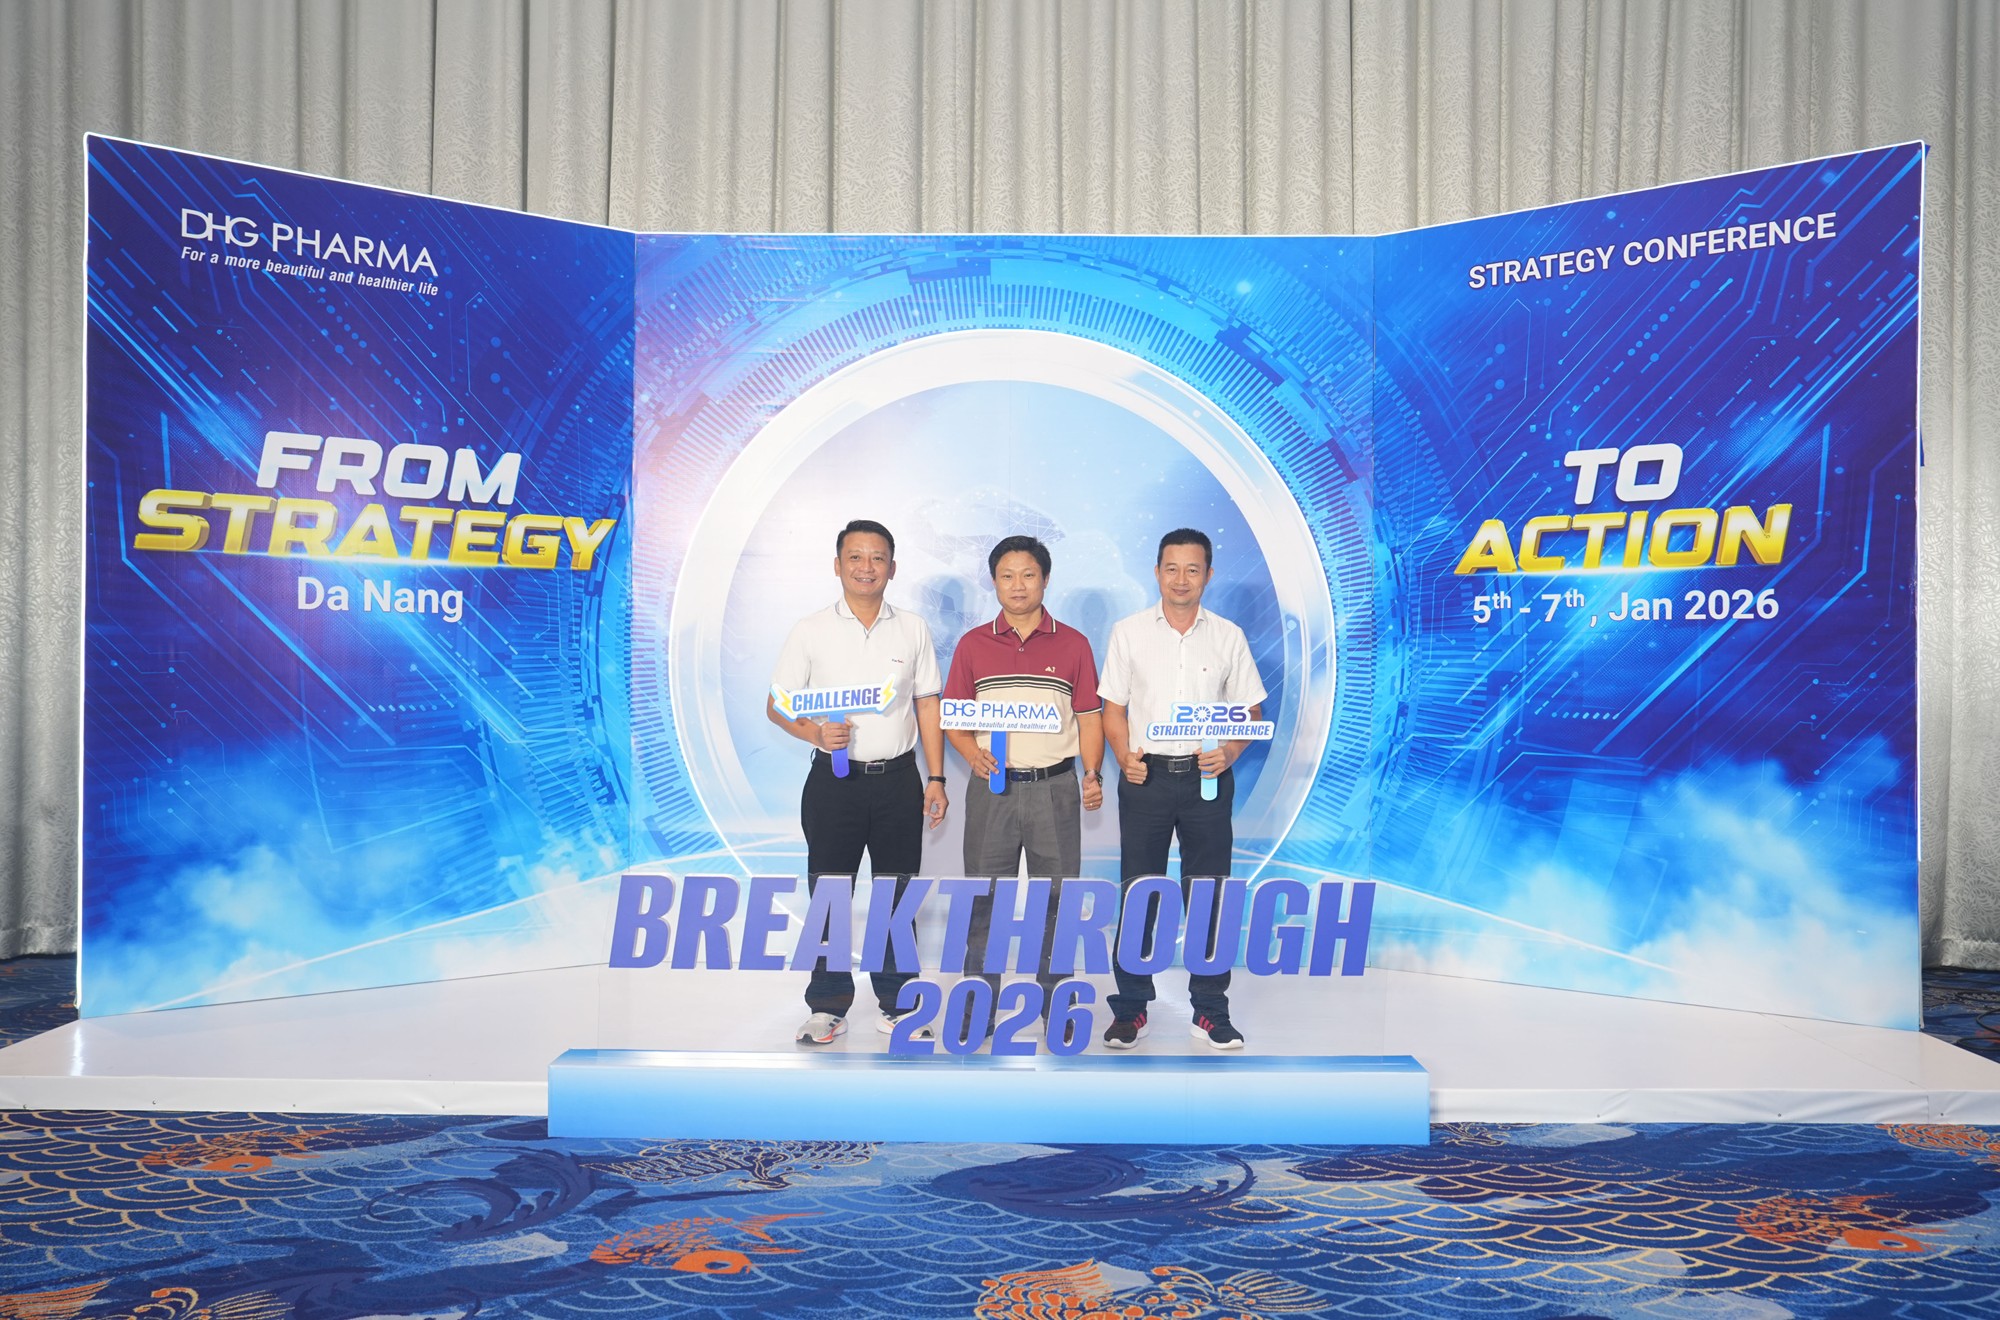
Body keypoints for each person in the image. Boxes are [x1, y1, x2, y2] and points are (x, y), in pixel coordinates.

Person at [768, 519, 949, 1046]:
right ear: (837, 565)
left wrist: (936, 777)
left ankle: (898, 1002)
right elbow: (777, 704)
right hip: (833, 784)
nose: (866, 567)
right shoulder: (810, 629)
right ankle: (827, 1005)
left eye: (877, 558)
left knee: (897, 895)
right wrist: (815, 733)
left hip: (898, 781)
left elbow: (928, 704)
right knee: (829, 894)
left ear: (892, 568)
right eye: (855, 557)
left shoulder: (912, 627)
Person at [1097, 528, 1267, 1050]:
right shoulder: (1128, 632)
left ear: (1208, 575)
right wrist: (1123, 756)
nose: (1181, 579)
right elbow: (1112, 709)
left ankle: (1210, 1010)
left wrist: (1231, 751)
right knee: (1139, 893)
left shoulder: (1228, 636)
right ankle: (1131, 1008)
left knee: (1210, 895)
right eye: (1171, 568)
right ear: (1157, 572)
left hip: (1207, 779)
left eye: (1193, 569)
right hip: (1145, 776)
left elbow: (1252, 711)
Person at [942, 535, 1104, 1044]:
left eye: (1028, 575)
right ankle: (978, 1006)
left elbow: (1089, 717)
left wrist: (1093, 773)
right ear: (994, 582)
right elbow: (954, 719)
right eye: (1007, 576)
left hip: (1054, 788)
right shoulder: (973, 645)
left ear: (1045, 579)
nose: (1018, 585)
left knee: (1057, 900)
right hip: (991, 790)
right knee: (983, 898)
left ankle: (1056, 1004)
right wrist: (970, 754)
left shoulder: (1073, 644)